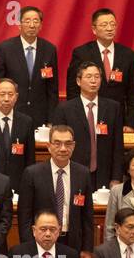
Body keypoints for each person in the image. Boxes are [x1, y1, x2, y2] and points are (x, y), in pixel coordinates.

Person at [17, 126, 95, 256]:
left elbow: (87, 216)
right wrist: (29, 247)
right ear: (48, 146)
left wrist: (87, 249)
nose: (63, 148)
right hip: (42, 241)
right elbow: (24, 216)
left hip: (73, 241)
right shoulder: (32, 174)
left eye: (68, 143)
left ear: (74, 146)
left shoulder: (83, 173)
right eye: (57, 143)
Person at [52, 61, 124, 190]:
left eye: (97, 77)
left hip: (104, 174)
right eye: (89, 77)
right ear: (78, 81)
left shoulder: (113, 108)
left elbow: (118, 146)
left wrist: (116, 178)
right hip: (74, 172)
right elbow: (58, 145)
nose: (93, 81)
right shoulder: (65, 109)